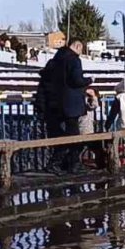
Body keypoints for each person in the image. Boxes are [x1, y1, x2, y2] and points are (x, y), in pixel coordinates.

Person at [39, 40, 93, 173]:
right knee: (74, 136)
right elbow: (76, 80)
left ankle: (65, 163)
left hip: (56, 104)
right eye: (81, 48)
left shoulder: (56, 59)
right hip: (72, 106)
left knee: (65, 135)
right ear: (77, 46)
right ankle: (67, 163)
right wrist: (90, 80)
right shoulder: (74, 60)